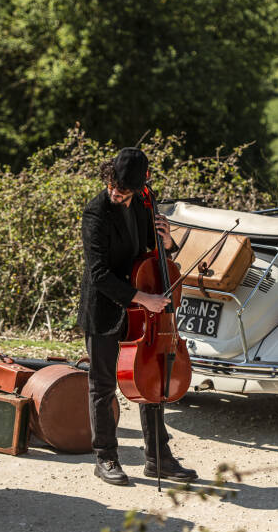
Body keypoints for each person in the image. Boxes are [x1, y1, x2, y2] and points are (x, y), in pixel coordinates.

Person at [77, 147, 198, 487]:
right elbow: (99, 274)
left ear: (140, 185)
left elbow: (152, 250)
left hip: (142, 312)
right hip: (105, 307)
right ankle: (105, 458)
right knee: (102, 385)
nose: (116, 192)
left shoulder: (146, 201)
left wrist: (167, 241)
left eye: (125, 189)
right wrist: (144, 298)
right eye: (114, 184)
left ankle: (158, 458)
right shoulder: (96, 212)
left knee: (151, 378)